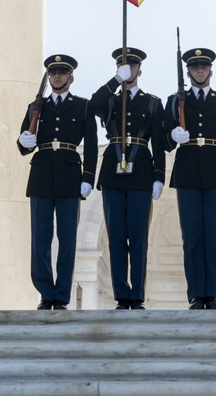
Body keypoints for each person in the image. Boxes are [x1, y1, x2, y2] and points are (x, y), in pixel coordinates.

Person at [164, 48, 216, 310]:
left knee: (214, 237)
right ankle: (197, 295)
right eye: (195, 67)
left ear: (210, 70)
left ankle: (212, 294)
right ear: (187, 71)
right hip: (186, 173)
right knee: (192, 237)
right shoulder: (174, 101)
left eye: (204, 67)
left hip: (215, 173)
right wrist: (172, 136)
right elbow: (163, 141)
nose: (200, 71)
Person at [17, 54, 97, 310]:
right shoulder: (36, 106)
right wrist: (23, 141)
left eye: (62, 73)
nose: (57, 77)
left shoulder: (83, 106)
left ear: (70, 78)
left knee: (67, 238)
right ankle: (45, 292)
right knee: (40, 238)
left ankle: (61, 296)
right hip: (41, 175)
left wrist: (88, 177)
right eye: (53, 73)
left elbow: (93, 145)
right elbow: (22, 145)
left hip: (69, 175)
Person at [91, 47, 165, 310]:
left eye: (132, 66)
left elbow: (157, 140)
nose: (129, 69)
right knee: (116, 237)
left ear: (139, 70)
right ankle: (122, 295)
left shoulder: (153, 102)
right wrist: (115, 82)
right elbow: (92, 105)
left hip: (142, 172)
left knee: (139, 237)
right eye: (124, 66)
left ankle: (137, 296)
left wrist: (159, 176)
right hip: (113, 173)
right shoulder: (111, 100)